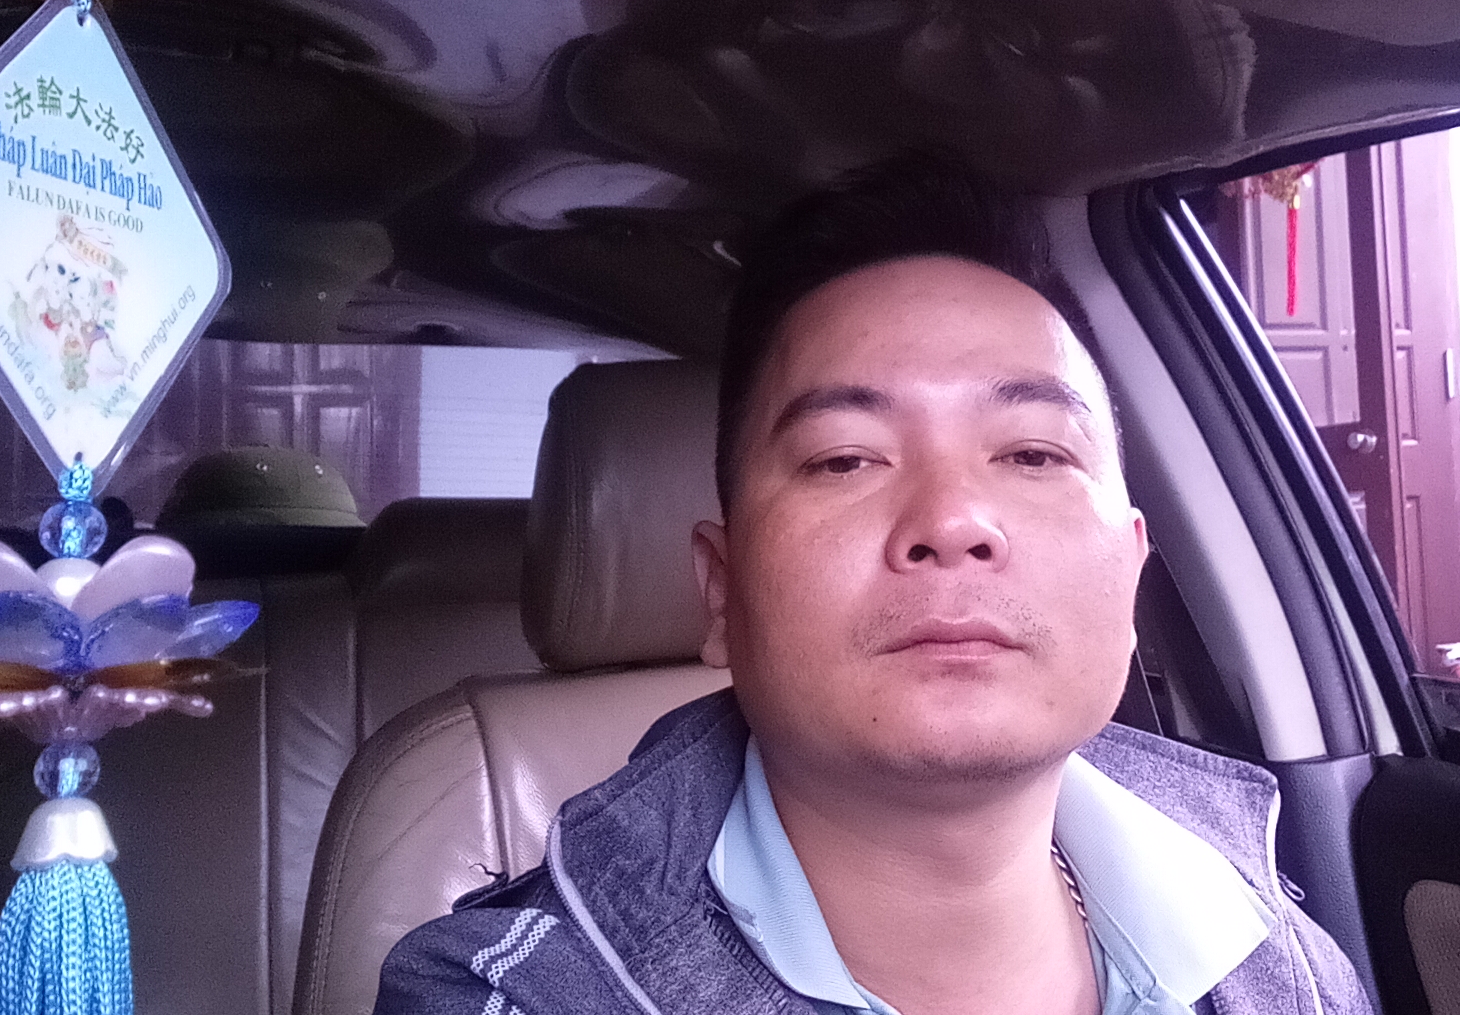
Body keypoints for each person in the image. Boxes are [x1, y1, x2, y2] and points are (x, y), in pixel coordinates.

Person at [373, 155, 1373, 1015]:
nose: (952, 520)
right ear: (721, 592)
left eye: (1032, 453)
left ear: (1132, 569)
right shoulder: (513, 994)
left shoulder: (1278, 948)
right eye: (845, 458)